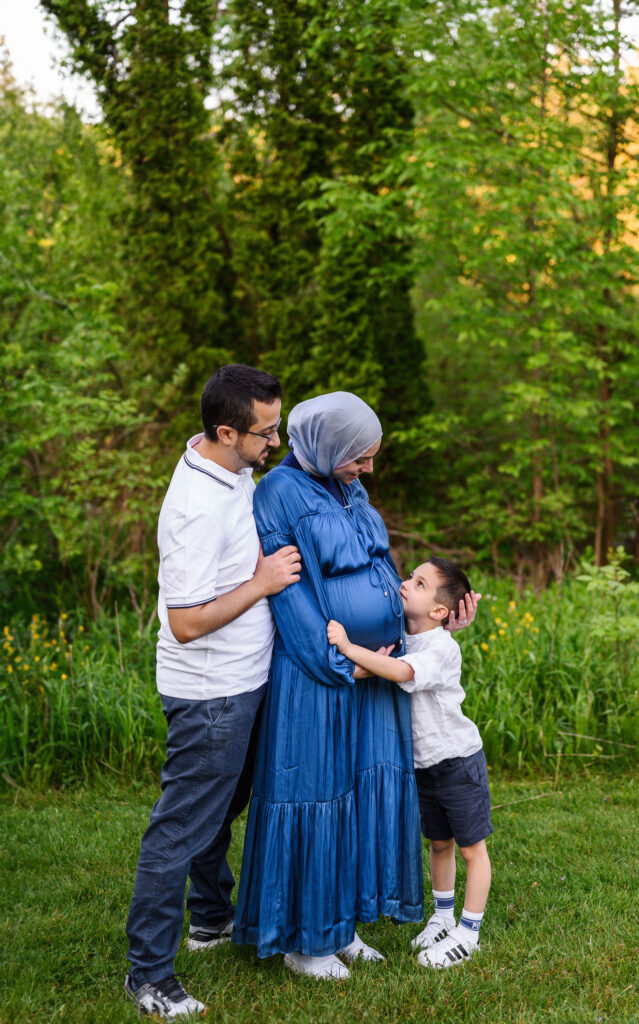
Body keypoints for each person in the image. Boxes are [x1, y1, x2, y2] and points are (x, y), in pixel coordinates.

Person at [232, 392, 478, 981]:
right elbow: (291, 599)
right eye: (359, 458)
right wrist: (348, 663)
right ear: (325, 446)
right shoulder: (277, 495)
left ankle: (340, 926)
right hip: (321, 677)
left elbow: (380, 574)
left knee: (355, 799)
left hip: (372, 674)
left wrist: (430, 622)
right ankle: (305, 942)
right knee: (313, 798)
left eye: (370, 458)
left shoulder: (351, 490)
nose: (368, 469)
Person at [124, 364, 302, 1019]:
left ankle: (209, 920)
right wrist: (261, 583)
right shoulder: (196, 509)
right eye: (264, 433)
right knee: (179, 830)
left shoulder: (227, 465)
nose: (273, 443)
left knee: (219, 810)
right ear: (225, 431)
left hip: (245, 683)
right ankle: (148, 976)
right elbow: (186, 621)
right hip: (210, 697)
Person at [327, 556, 492, 970]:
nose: (405, 583)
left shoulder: (439, 647)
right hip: (424, 765)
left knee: (473, 849)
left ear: (439, 611)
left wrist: (348, 647)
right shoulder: (406, 635)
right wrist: (360, 665)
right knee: (439, 843)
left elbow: (400, 671)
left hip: (456, 759)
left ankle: (468, 933)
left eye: (419, 583)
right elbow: (385, 665)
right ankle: (441, 915)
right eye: (410, 576)